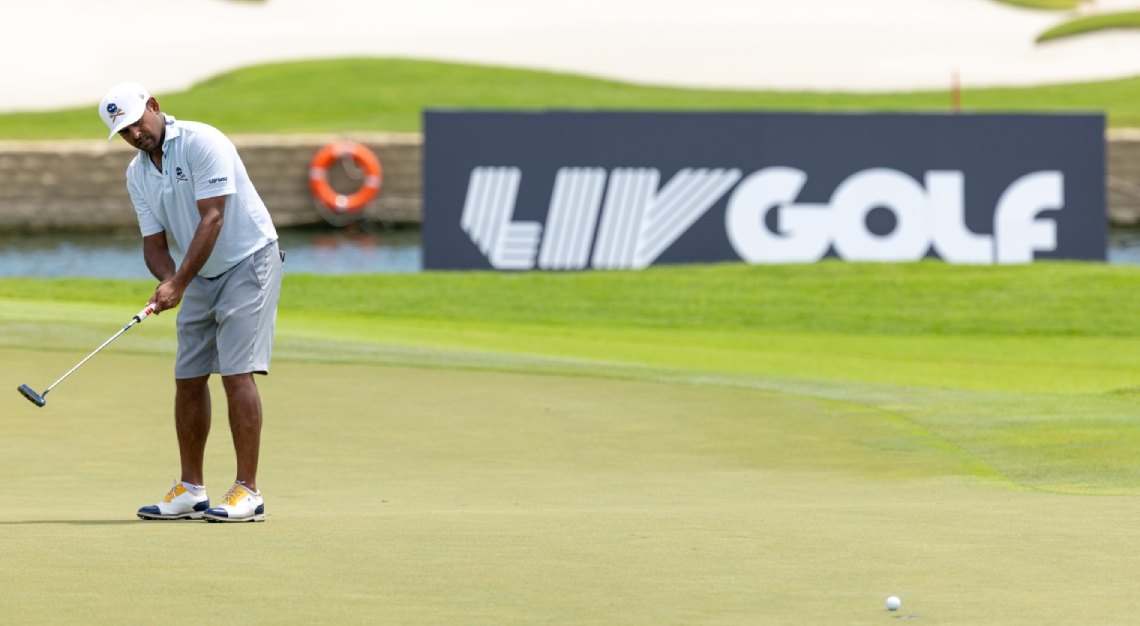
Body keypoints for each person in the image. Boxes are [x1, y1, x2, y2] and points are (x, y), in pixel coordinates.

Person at [98, 81, 283, 523]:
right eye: (122, 131)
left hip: (248, 260)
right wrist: (168, 280)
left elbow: (213, 216)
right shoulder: (137, 173)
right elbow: (154, 243)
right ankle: (191, 489)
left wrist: (179, 281)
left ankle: (248, 491)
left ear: (154, 107)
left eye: (135, 123)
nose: (134, 135)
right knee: (189, 376)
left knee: (237, 374)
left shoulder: (203, 142)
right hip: (196, 271)